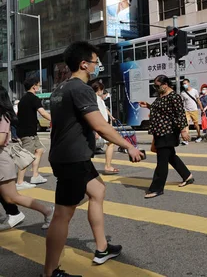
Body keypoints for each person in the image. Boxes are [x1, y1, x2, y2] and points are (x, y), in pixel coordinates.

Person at [44, 41, 143, 277]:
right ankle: (49, 273)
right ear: (84, 64)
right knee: (62, 215)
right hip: (72, 158)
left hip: (69, 155)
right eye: (95, 62)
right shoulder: (80, 89)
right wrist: (128, 146)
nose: (98, 65)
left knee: (97, 191)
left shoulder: (60, 88)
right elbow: (100, 125)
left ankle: (101, 248)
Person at [0, 85, 53, 232]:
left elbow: (1, 139)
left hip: (2, 161)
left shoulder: (3, 117)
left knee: (12, 197)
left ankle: (47, 211)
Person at [139, 75, 193, 199]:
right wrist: (148, 105)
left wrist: (183, 131)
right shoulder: (161, 96)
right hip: (159, 132)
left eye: (158, 86)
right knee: (171, 157)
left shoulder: (174, 96)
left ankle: (157, 188)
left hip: (168, 132)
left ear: (165, 84)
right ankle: (187, 176)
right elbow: (161, 110)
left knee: (161, 161)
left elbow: (180, 114)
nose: (156, 88)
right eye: (155, 86)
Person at [15, 76, 52, 190]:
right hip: (28, 132)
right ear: (34, 86)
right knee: (26, 156)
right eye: (39, 85)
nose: (39, 87)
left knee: (39, 150)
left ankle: (35, 176)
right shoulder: (34, 99)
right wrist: (55, 120)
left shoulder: (23, 100)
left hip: (28, 131)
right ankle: (20, 182)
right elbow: (43, 113)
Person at [90, 81, 118, 174]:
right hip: (100, 126)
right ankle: (108, 166)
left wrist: (110, 117)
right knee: (110, 143)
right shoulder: (96, 99)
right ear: (99, 90)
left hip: (101, 126)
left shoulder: (97, 99)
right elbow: (97, 114)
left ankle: (107, 166)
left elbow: (104, 110)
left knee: (110, 143)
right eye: (102, 90)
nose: (103, 92)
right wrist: (97, 130)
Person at [180, 79, 202, 143]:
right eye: (183, 84)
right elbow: (182, 102)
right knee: (186, 124)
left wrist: (201, 108)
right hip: (186, 110)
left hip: (194, 110)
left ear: (189, 83)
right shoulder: (183, 93)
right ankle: (186, 140)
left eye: (185, 83)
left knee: (196, 124)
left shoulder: (194, 91)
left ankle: (199, 136)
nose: (184, 85)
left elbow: (198, 100)